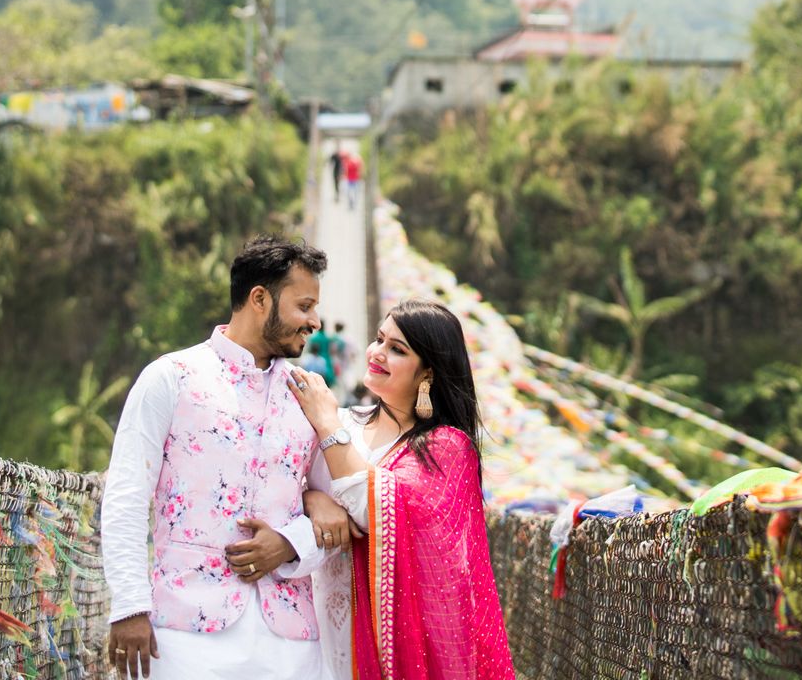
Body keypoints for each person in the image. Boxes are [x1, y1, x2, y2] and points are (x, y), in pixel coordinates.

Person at [102, 236, 335, 680]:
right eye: (303, 306)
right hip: (184, 634)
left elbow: (339, 512)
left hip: (290, 643)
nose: (314, 321)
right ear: (260, 299)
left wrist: (291, 543)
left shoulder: (311, 396)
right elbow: (127, 494)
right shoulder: (170, 377)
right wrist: (130, 605)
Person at [289, 299, 515, 680]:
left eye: (397, 349)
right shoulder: (346, 421)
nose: (377, 353)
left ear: (427, 373)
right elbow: (287, 486)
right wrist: (314, 499)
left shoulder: (445, 447)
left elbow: (370, 507)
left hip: (386, 641)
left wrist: (326, 423)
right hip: (310, 623)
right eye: (379, 339)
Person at [304, 320, 336, 387]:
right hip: (327, 360)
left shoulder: (314, 338)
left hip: (315, 359)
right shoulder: (327, 338)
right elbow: (331, 350)